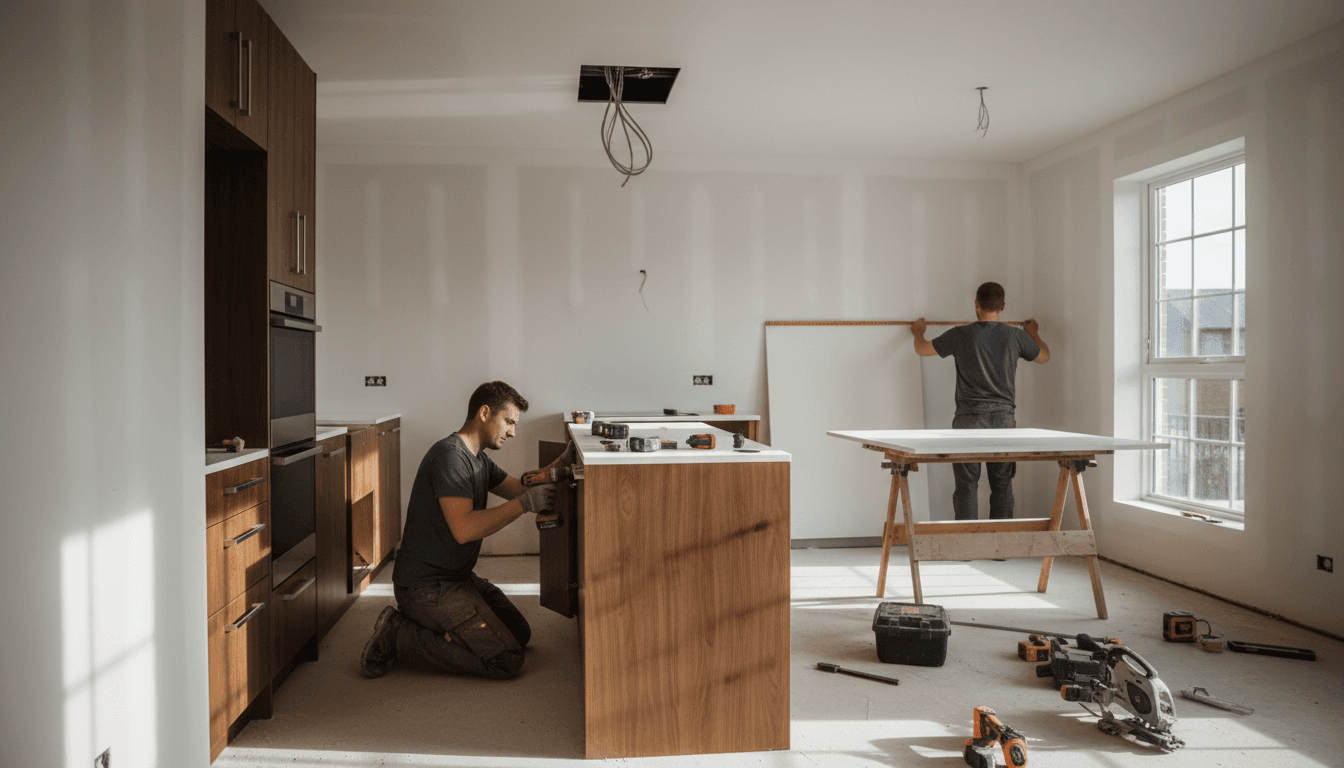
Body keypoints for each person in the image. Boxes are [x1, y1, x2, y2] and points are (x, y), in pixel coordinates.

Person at [360, 380, 575, 680]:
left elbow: (517, 488)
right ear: (485, 413)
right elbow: (464, 529)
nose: (513, 431)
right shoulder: (450, 457)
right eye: (509, 421)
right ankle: (398, 634)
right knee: (507, 659)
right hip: (424, 587)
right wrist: (526, 505)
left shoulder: (478, 459)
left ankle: (447, 628)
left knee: (519, 633)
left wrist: (561, 465)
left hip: (457, 578)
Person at [911, 282, 1050, 520]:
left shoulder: (960, 334)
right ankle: (1001, 549)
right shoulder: (1015, 336)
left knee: (966, 486)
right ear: (1003, 306)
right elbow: (1044, 356)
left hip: (968, 420)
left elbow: (922, 350)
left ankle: (967, 547)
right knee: (1002, 485)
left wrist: (918, 332)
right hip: (1003, 421)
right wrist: (1033, 334)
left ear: (976, 304)